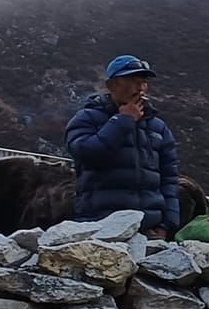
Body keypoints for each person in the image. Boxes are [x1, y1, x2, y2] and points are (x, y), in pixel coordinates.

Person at [65, 56, 182, 238]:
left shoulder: (158, 127)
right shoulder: (86, 119)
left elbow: (169, 177)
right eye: (133, 82)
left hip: (149, 229)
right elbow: (88, 155)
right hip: (99, 225)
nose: (140, 88)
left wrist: (168, 224)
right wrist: (123, 121)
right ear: (111, 85)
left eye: (143, 83)